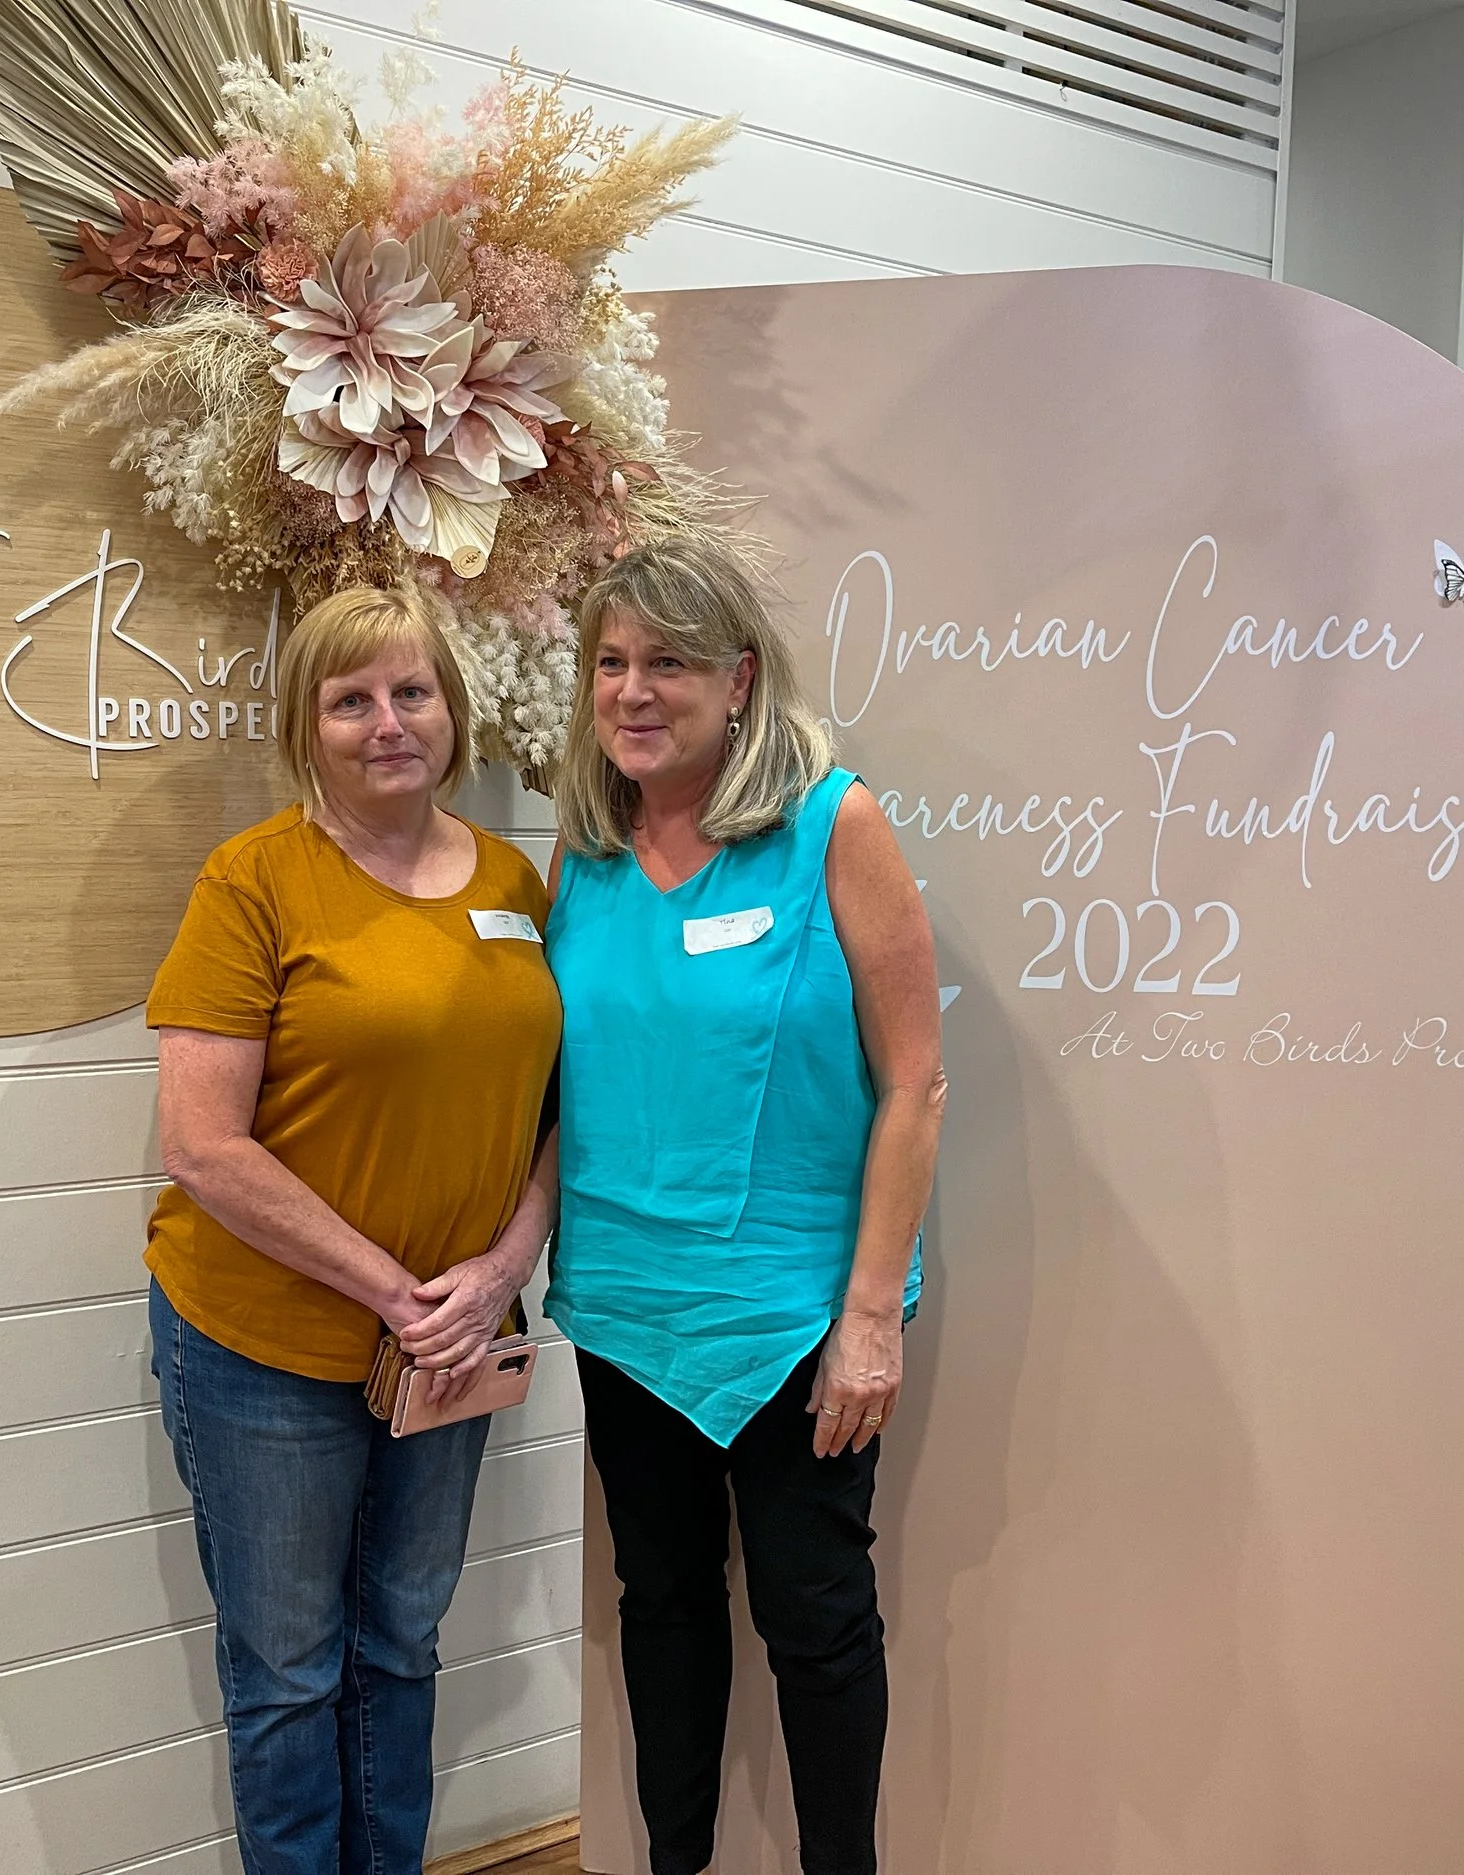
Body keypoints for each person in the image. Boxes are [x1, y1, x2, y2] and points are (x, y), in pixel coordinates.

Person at [143, 585, 563, 1875]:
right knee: (288, 1671)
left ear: (454, 710)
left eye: (413, 691)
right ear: (306, 727)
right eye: (352, 699)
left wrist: (496, 1275)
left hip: (447, 1344)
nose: (390, 722)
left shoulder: (513, 882)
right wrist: (400, 1291)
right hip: (263, 1348)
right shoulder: (256, 881)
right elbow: (202, 1146)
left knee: (402, 1644)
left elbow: (560, 1116)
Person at [544, 538, 946, 1875]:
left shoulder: (835, 824)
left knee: (815, 1616)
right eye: (611, 661)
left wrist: (870, 1316)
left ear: (740, 676)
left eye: (665, 660)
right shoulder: (583, 848)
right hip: (624, 1305)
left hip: (790, 1314)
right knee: (658, 1605)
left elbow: (917, 1088)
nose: (633, 689)